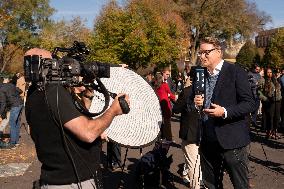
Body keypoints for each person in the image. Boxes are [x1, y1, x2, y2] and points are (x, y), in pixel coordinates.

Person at [25, 50, 130, 189]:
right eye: (55, 61)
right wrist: (113, 110)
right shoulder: (53, 92)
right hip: (72, 182)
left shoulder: (34, 93)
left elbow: (71, 119)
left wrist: (87, 94)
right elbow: (88, 133)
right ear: (47, 64)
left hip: (55, 178)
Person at [191, 37, 255, 189]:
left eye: (206, 52)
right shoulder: (200, 75)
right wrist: (196, 103)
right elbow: (191, 101)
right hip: (207, 139)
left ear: (218, 52)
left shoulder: (235, 71)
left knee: (240, 185)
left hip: (231, 140)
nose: (202, 56)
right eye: (200, 53)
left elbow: (250, 103)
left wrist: (225, 111)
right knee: (211, 185)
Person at [173, 77, 202, 189]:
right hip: (204, 132)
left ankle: (196, 186)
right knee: (196, 162)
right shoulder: (209, 89)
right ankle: (194, 181)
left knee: (193, 164)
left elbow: (176, 109)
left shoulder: (187, 91)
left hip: (191, 133)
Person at [0, 77, 24, 149]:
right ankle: (16, 142)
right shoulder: (11, 85)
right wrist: (13, 94)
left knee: (12, 124)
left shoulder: (1, 89)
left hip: (15, 106)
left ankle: (12, 144)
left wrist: (1, 113)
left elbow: (3, 103)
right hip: (20, 104)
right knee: (16, 123)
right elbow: (20, 91)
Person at [258, 68, 282, 139]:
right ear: (265, 73)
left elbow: (279, 89)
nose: (269, 74)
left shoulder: (275, 79)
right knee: (270, 118)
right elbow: (258, 92)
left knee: (277, 118)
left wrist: (280, 96)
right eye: (268, 72)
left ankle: (275, 132)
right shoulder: (263, 80)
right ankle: (269, 132)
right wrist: (265, 99)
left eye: (271, 72)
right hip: (269, 102)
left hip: (277, 101)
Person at [155, 73, 176, 142]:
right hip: (165, 104)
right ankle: (169, 138)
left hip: (159, 105)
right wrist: (175, 98)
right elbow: (169, 94)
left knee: (160, 122)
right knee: (167, 123)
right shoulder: (164, 85)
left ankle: (161, 136)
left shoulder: (155, 86)